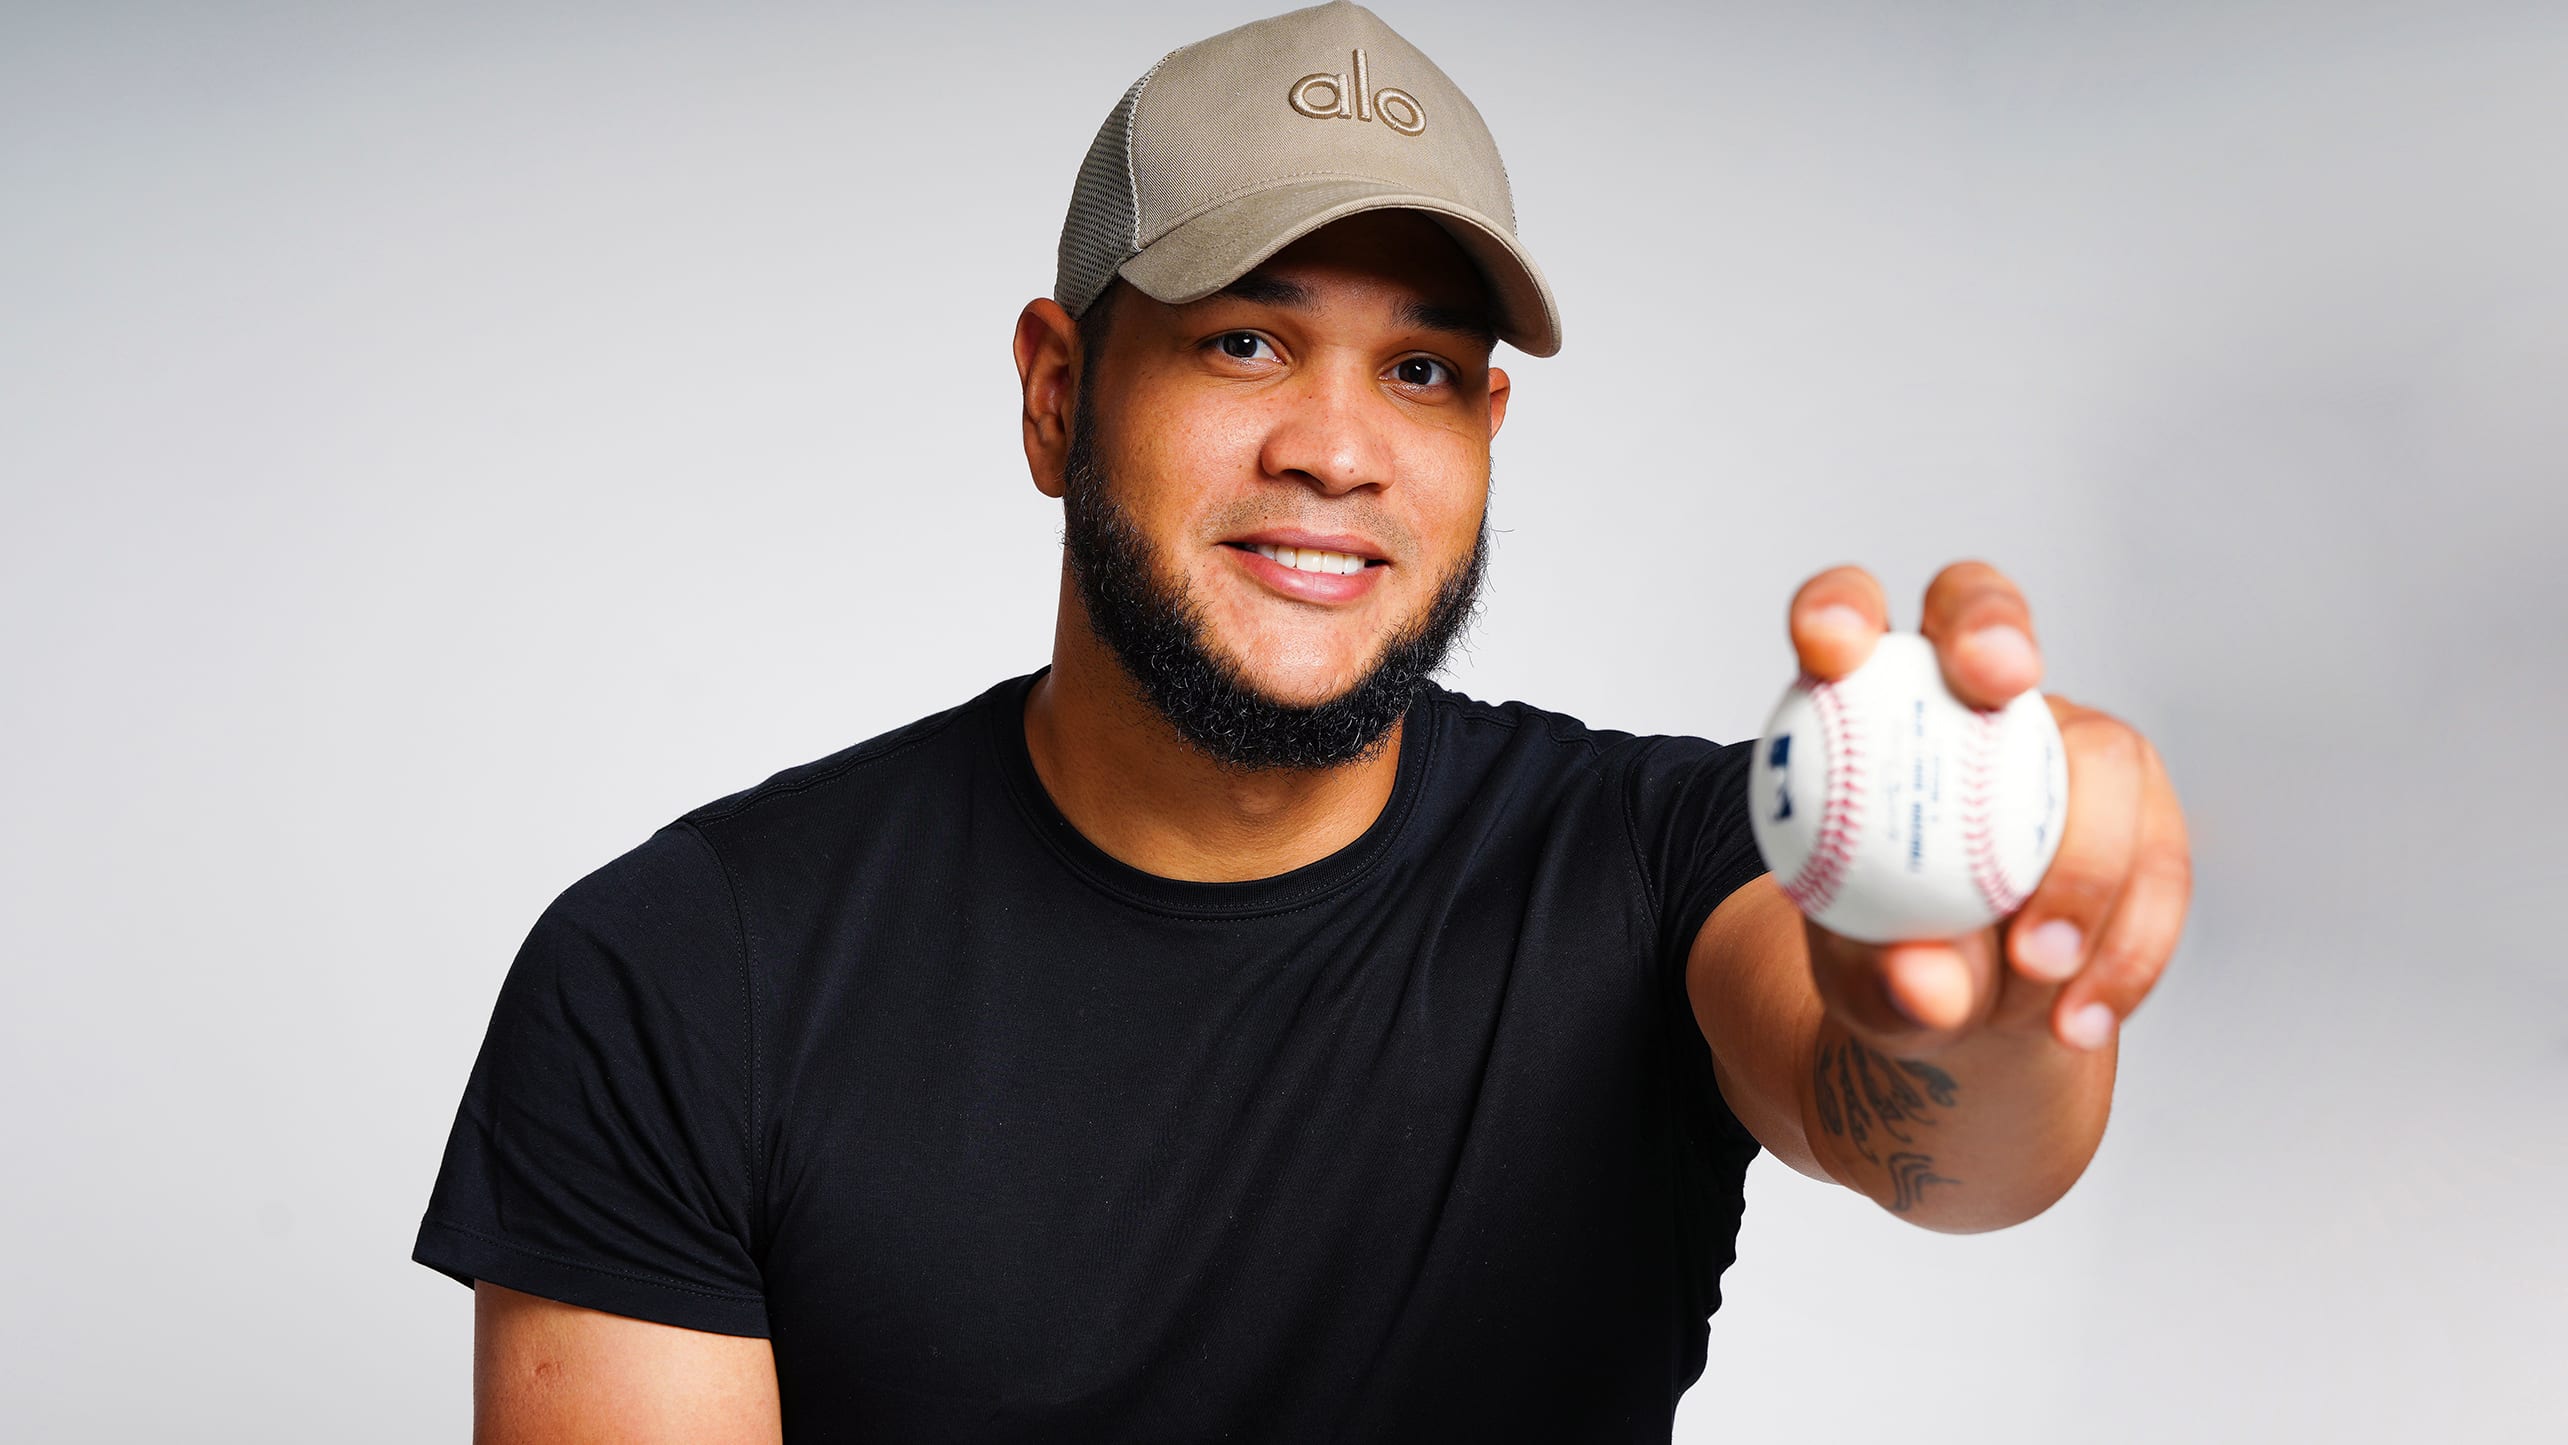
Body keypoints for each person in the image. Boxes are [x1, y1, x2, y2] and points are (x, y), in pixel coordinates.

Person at [412, 3, 2191, 1439]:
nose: (1339, 451)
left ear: (1488, 430)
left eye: (1421, 371)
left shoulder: (1655, 866)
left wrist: (1979, 987)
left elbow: (1953, 1155)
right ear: (1056, 393)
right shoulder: (681, 973)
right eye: (1246, 342)